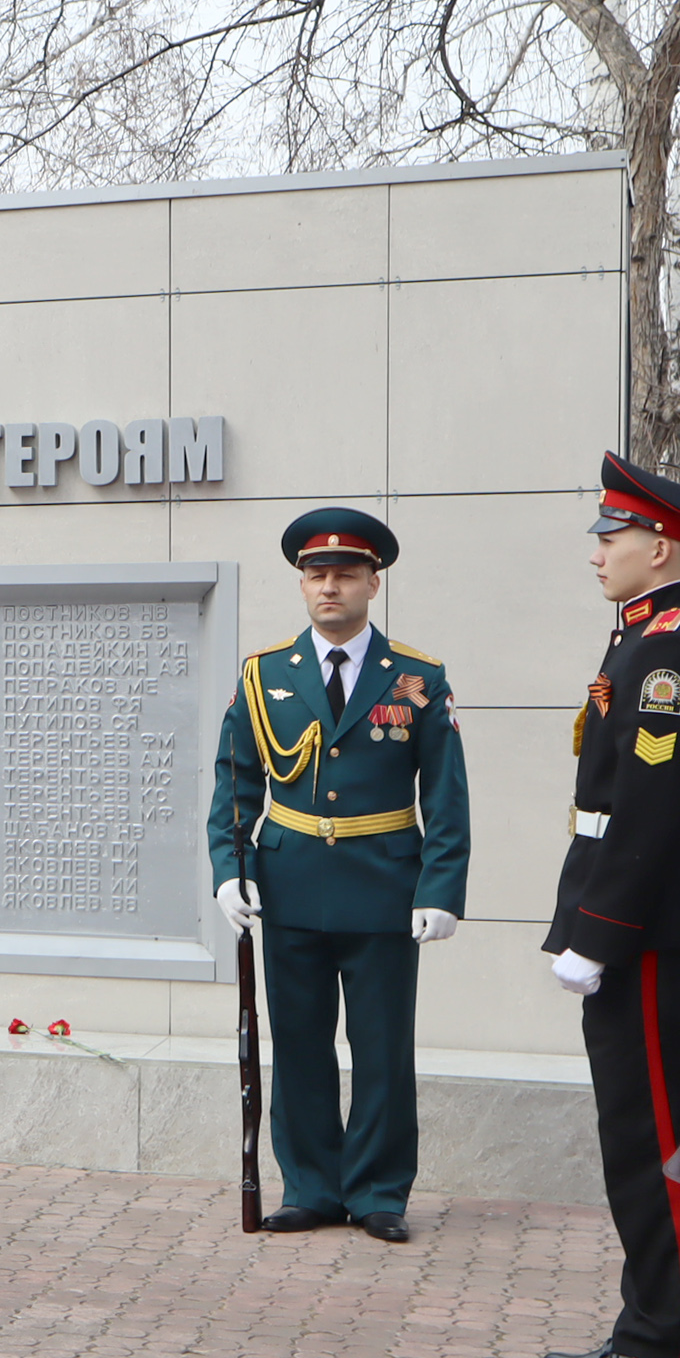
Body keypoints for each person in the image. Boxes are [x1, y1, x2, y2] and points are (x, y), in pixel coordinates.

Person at [207, 506, 470, 1244]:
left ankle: (380, 1190)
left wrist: (441, 888)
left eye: (345, 574)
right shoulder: (265, 676)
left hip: (385, 887)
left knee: (384, 1047)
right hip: (288, 888)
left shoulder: (417, 677)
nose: (330, 587)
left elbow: (445, 795)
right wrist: (230, 870)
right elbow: (234, 785)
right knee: (297, 1043)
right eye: (316, 574)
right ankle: (314, 1186)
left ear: (373, 583)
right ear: (301, 585)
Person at [539, 452, 680, 1358]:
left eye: (612, 536)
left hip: (647, 935)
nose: (598, 553)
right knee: (635, 1131)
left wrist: (599, 931)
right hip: (633, 923)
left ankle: (659, 1340)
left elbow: (651, 809)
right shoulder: (639, 638)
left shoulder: (666, 651)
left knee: (651, 1136)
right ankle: (651, 1321)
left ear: (660, 542)